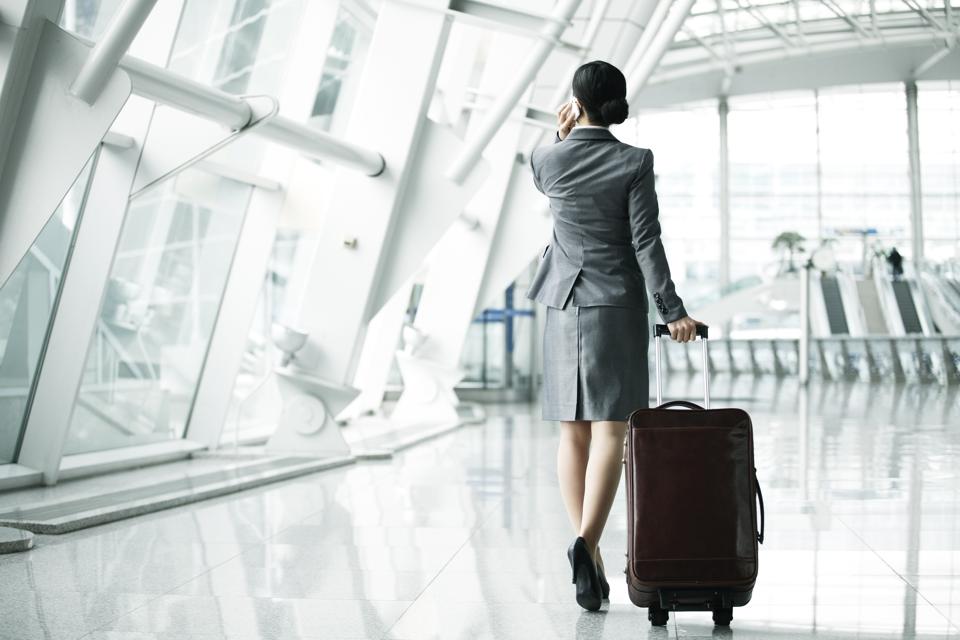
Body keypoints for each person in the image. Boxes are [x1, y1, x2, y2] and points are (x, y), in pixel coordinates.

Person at [525, 60, 702, 612]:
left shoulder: (545, 157)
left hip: (561, 305)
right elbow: (646, 242)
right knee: (612, 434)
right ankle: (587, 545)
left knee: (571, 435)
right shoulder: (633, 161)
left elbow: (547, 171)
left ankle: (591, 557)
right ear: (618, 103)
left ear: (576, 101)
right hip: (615, 307)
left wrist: (562, 132)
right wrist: (672, 310)